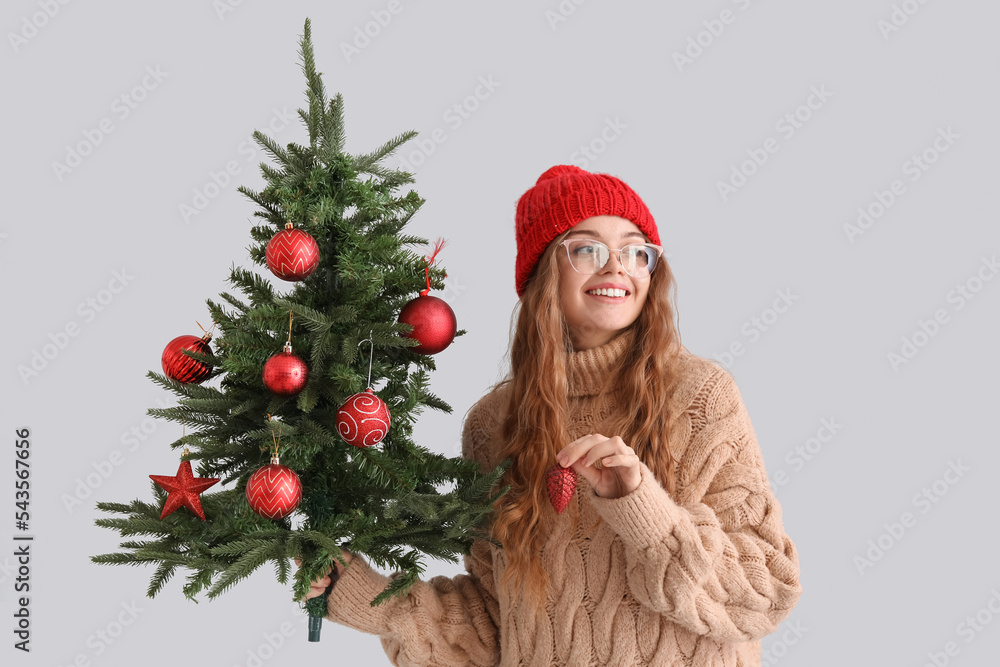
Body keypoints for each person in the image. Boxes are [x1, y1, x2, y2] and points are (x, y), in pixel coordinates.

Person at [299, 165, 803, 666]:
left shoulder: (701, 397)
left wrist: (644, 510)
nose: (616, 267)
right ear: (544, 272)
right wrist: (375, 600)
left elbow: (766, 591)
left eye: (635, 250)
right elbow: (497, 622)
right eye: (587, 249)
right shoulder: (493, 424)